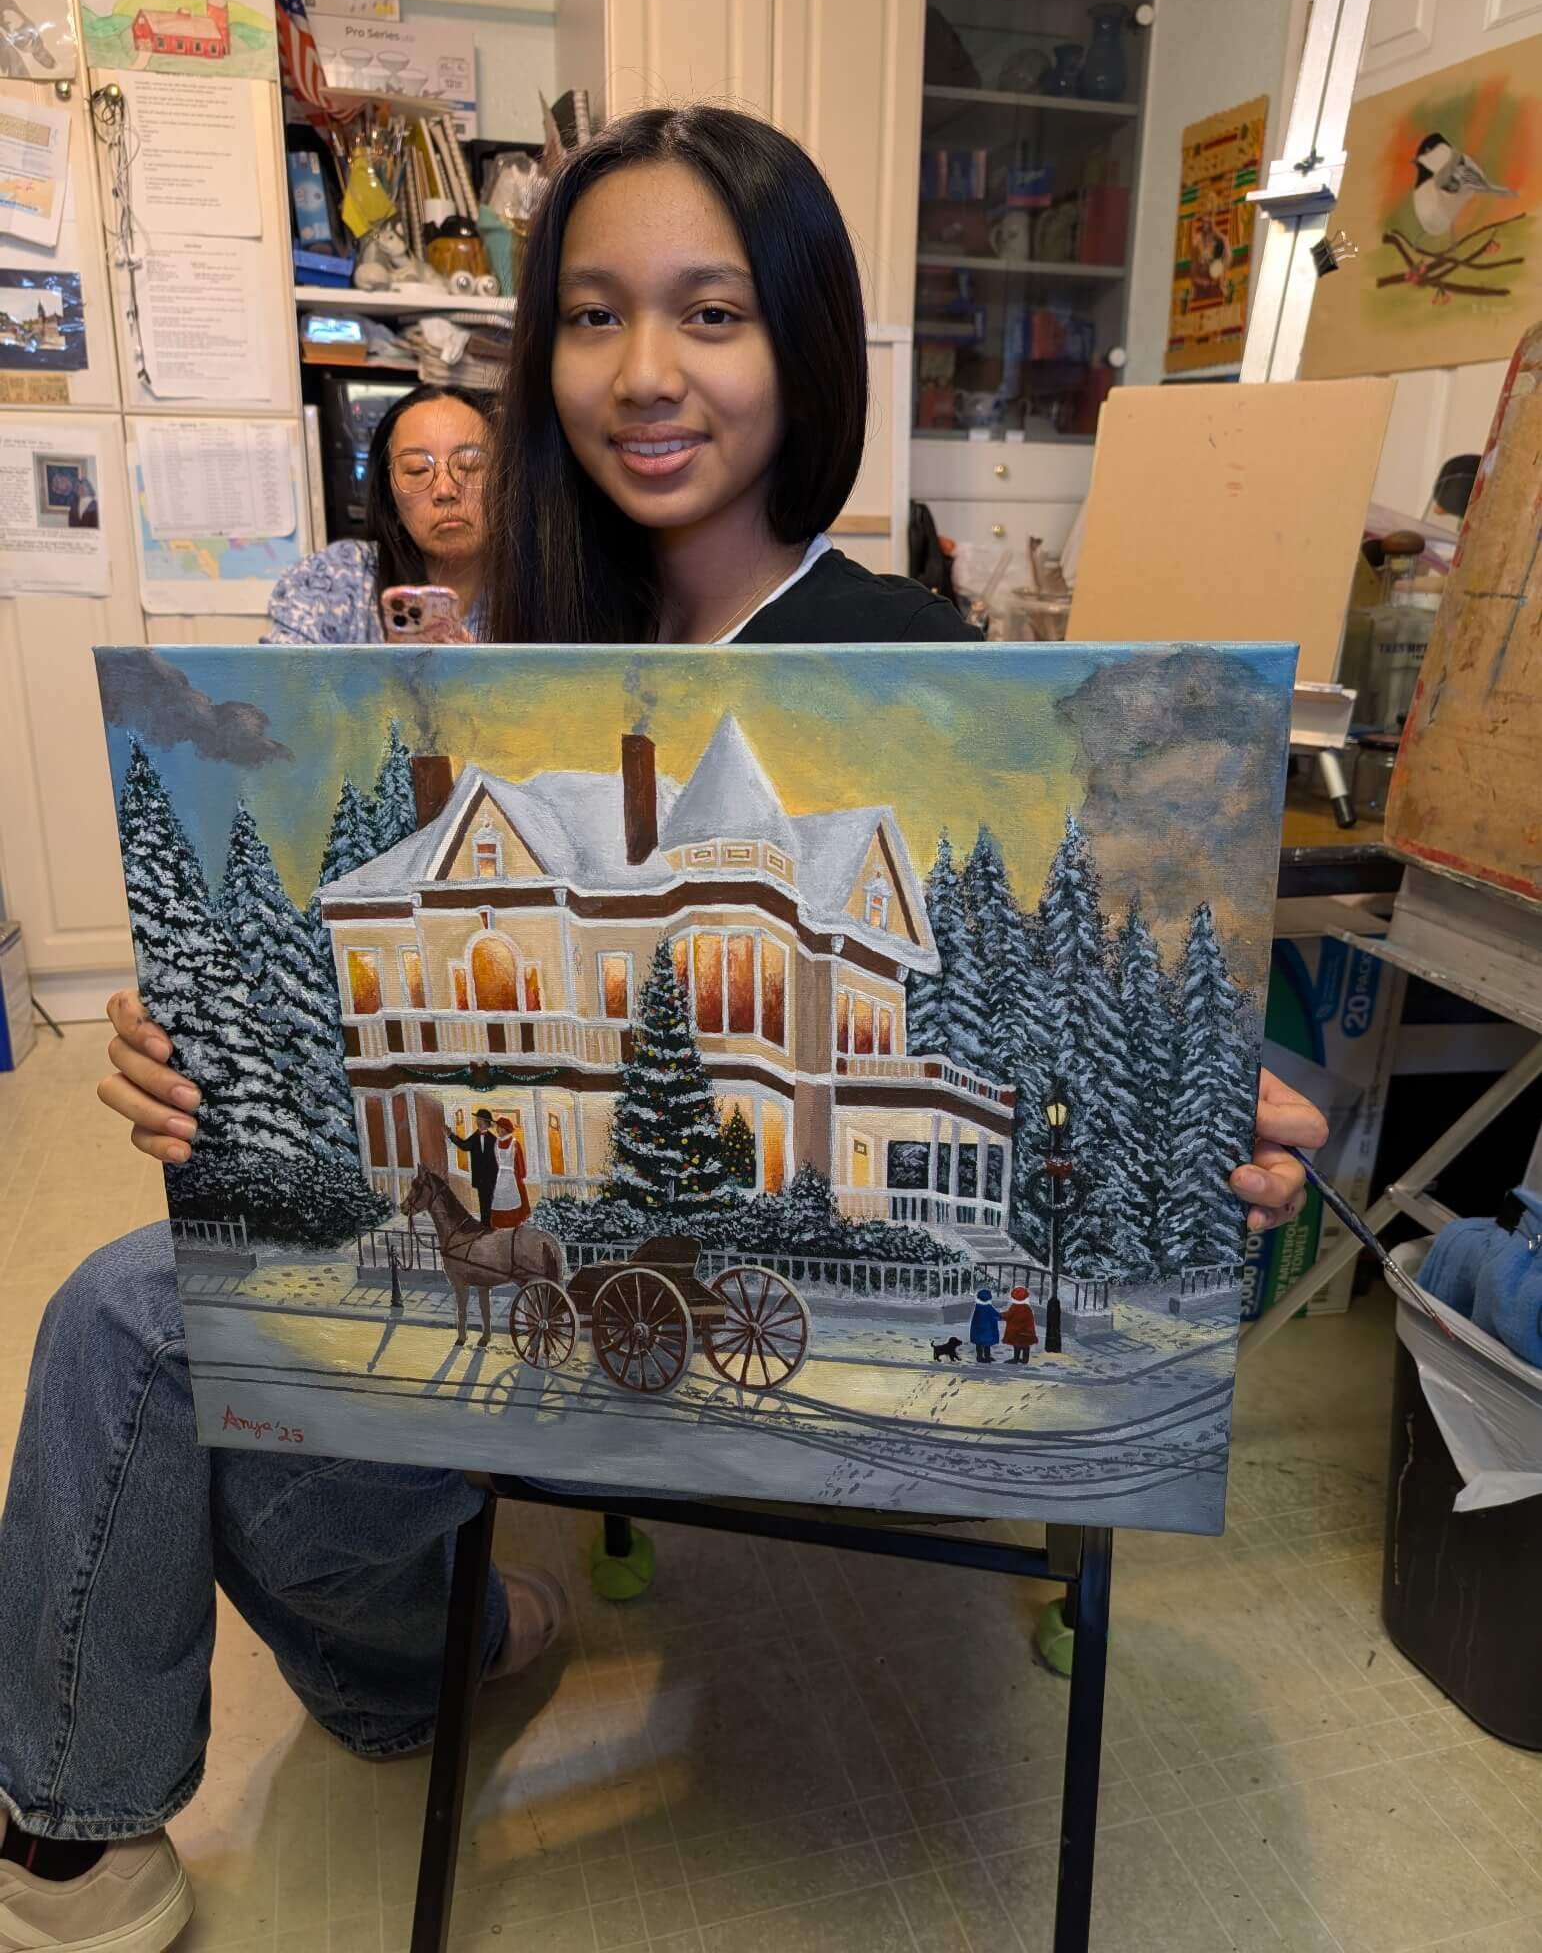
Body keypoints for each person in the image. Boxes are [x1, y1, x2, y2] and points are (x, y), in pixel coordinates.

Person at [5, 105, 1328, 1953]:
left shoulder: (925, 662)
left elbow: (1196, 1010)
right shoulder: (515, 651)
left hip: (751, 1343)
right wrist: (191, 1069)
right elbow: (351, 959)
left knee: (177, 1326)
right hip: (553, 1298)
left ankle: (418, 1653)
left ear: (797, 339)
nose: (645, 373)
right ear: (540, 354)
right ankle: (214, 1758)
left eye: (710, 313)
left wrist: (1248, 1129)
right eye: (594, 314)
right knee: (144, 1309)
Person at [262, 382, 497, 645]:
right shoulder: (337, 577)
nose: (445, 489)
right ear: (390, 498)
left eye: (469, 464)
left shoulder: (542, 585)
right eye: (417, 470)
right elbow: (275, 681)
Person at [444, 1107, 499, 1226]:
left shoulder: (494, 1140)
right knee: (483, 1201)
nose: (478, 1122)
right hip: (480, 1177)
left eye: (481, 1120)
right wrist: (451, 1135)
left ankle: (491, 1223)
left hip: (492, 1177)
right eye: (477, 1119)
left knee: (492, 1201)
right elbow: (464, 1146)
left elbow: (498, 1159)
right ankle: (485, 1225)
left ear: (487, 1123)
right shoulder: (474, 1137)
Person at [489, 1118, 531, 1231]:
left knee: (513, 1201)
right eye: (497, 1127)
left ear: (504, 1129)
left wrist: (520, 1177)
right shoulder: (496, 1143)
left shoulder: (514, 1143)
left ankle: (512, 1226)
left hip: (512, 1178)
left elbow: (520, 1165)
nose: (497, 1130)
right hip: (498, 1177)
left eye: (499, 1127)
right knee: (497, 1201)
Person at [1003, 1286, 1038, 1364]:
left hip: (1015, 1332)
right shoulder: (1027, 1308)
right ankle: (1025, 1360)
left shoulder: (1014, 1307)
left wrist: (1000, 1315)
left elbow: (1007, 1316)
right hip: (1027, 1332)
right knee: (1026, 1346)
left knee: (1017, 1345)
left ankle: (1016, 1358)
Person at [969, 1286, 1004, 1363]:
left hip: (977, 1330)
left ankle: (979, 1357)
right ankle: (987, 1357)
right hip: (987, 1330)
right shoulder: (989, 1308)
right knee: (987, 1345)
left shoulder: (978, 1307)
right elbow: (997, 1316)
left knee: (979, 1344)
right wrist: (1002, 1316)